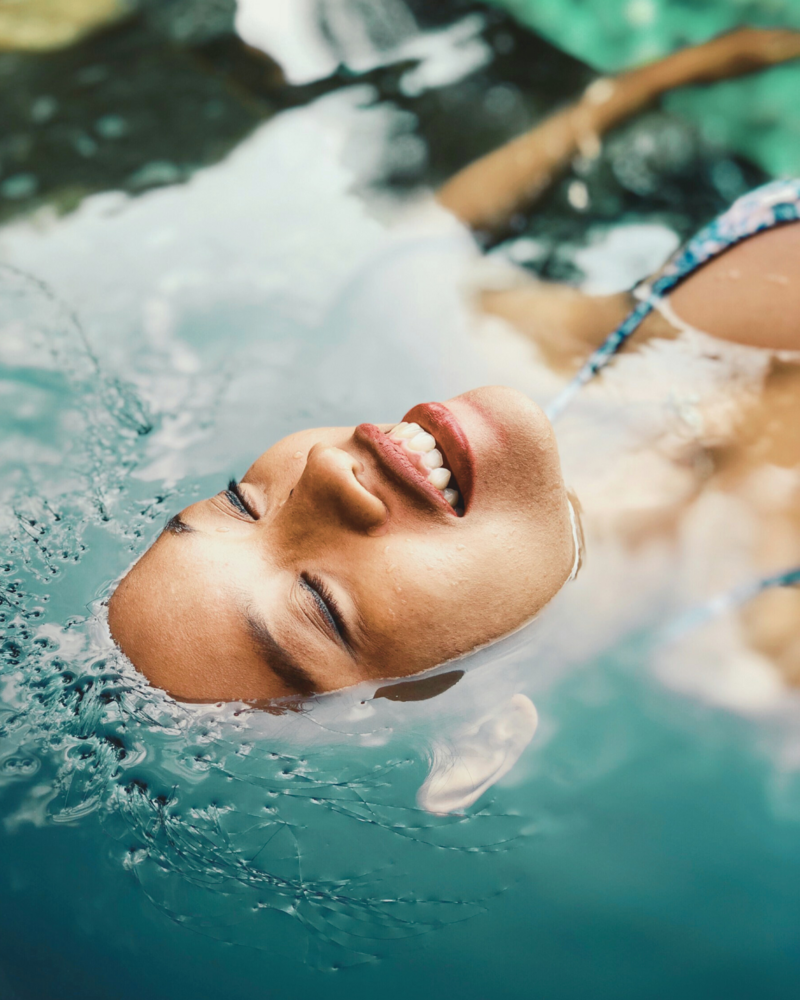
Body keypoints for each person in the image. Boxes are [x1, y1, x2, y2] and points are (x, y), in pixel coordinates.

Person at [108, 27, 800, 703]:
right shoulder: (765, 640)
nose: (323, 470)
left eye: (240, 502)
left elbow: (440, 228)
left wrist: (655, 80)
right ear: (485, 738)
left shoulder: (484, 336)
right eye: (319, 605)